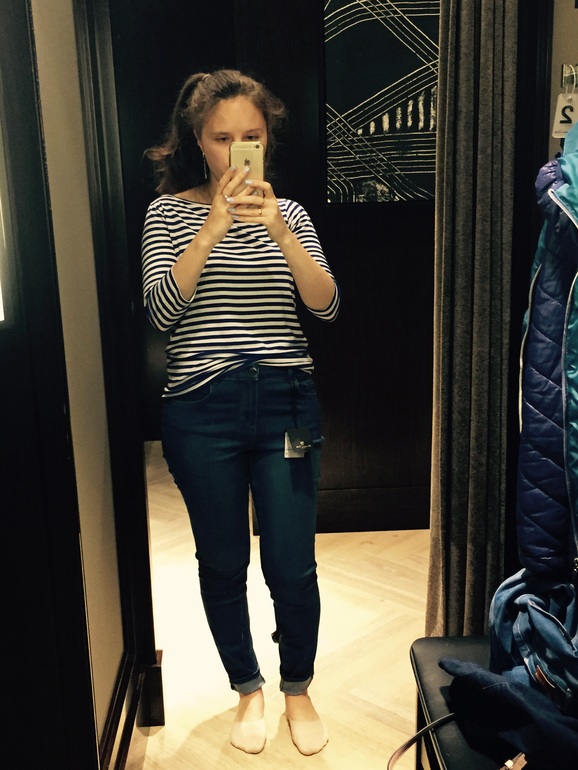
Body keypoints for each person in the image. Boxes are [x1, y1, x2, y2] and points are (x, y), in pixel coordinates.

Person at [141, 69, 340, 756]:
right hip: (203, 411)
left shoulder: (294, 216)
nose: (235, 150)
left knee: (292, 564)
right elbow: (162, 313)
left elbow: (326, 304)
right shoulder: (167, 215)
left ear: (266, 138)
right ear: (198, 141)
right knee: (223, 561)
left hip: (287, 405)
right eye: (221, 137)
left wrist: (279, 231)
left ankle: (298, 688)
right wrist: (213, 229)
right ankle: (247, 688)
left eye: (249, 136)